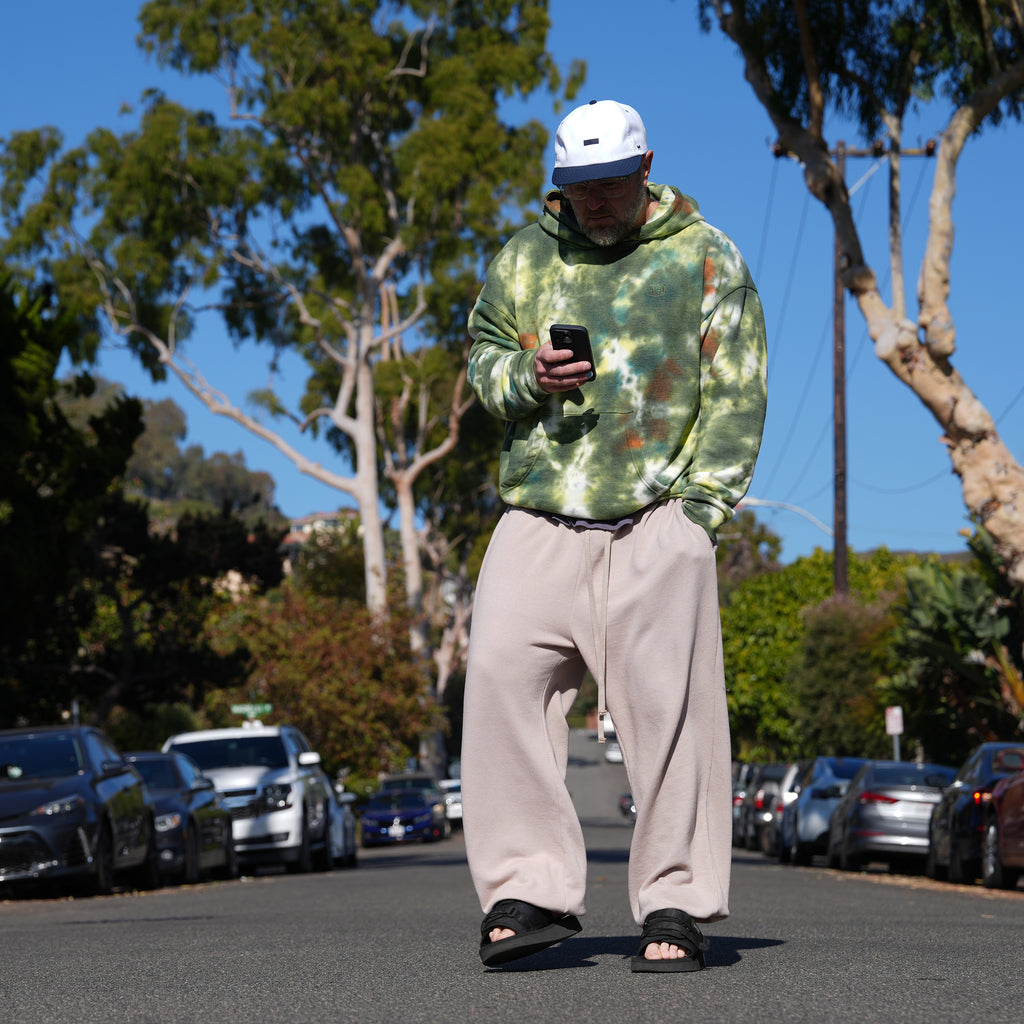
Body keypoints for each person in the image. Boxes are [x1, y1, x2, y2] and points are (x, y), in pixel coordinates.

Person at [461, 99, 768, 972]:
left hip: (655, 522)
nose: (594, 203)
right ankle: (528, 891)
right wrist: (528, 373)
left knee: (670, 716)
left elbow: (737, 391)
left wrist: (698, 518)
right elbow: (485, 361)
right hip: (539, 516)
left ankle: (674, 903)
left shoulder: (706, 257)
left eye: (609, 185)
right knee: (498, 684)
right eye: (577, 188)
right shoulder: (525, 258)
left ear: (645, 170)